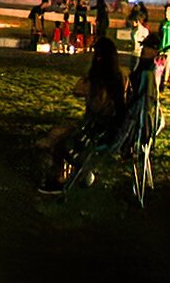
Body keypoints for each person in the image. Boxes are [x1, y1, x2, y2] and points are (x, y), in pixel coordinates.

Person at [38, 36, 128, 194]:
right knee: (58, 134)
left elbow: (79, 91)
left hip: (96, 130)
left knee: (60, 142)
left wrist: (90, 76)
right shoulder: (120, 76)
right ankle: (78, 173)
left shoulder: (98, 81)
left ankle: (60, 180)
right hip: (108, 128)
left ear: (99, 57)